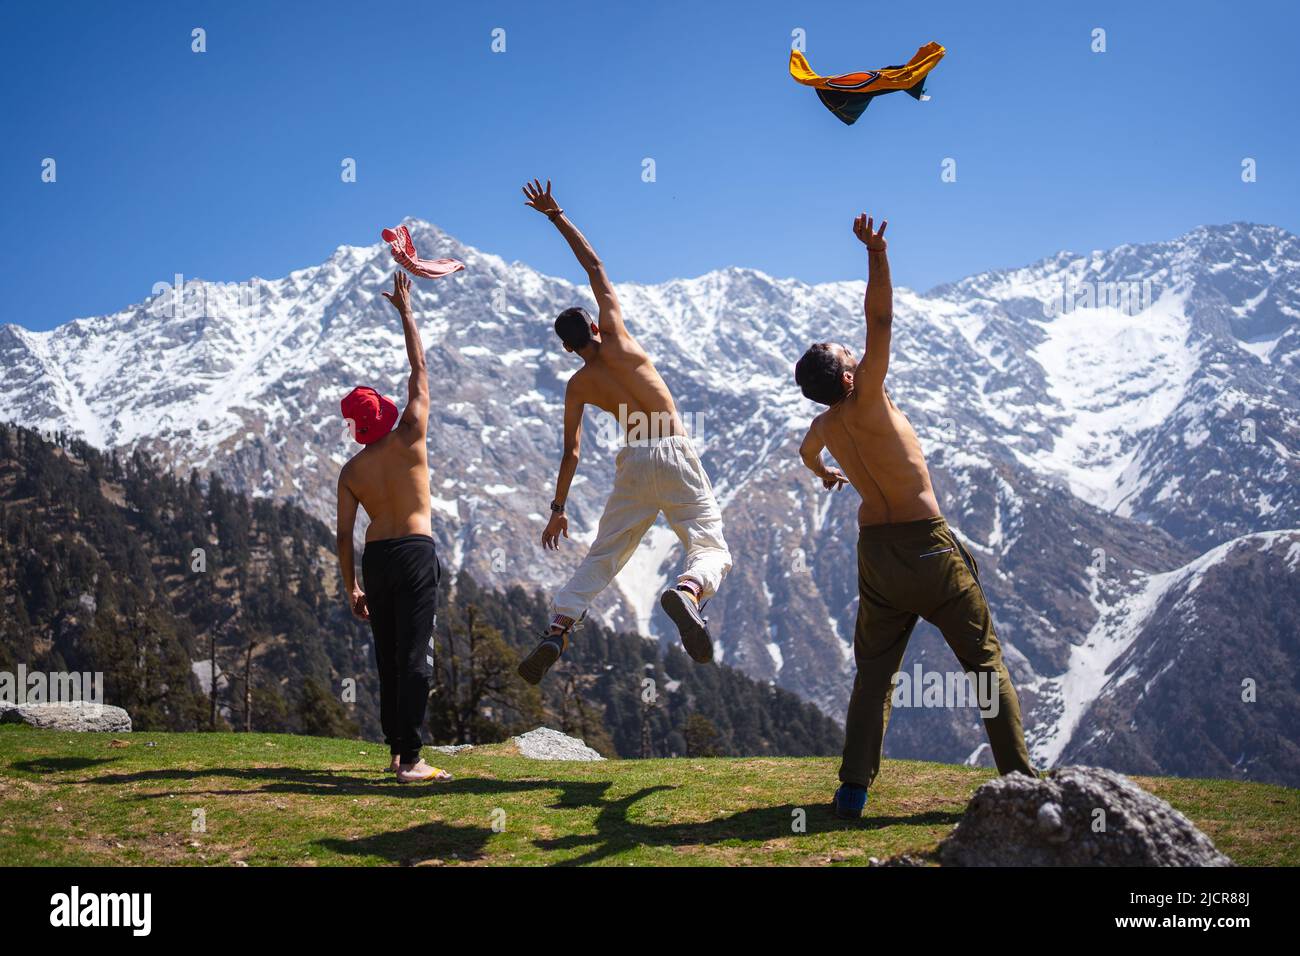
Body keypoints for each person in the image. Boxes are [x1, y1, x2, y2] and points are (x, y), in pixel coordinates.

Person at [794, 213, 1036, 819]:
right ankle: (1022, 782)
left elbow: (806, 452)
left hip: (875, 553)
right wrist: (877, 252)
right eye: (847, 352)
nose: (856, 348)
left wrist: (825, 474)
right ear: (848, 375)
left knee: (873, 676)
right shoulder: (868, 393)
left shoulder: (825, 424)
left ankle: (852, 792)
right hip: (927, 549)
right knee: (983, 664)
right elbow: (881, 318)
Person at [515, 179, 732, 685]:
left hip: (633, 460)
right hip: (672, 447)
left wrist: (558, 510)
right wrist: (556, 215)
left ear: (569, 347)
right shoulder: (618, 338)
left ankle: (560, 625)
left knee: (605, 553)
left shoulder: (578, 384)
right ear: (594, 328)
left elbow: (571, 452)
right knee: (709, 543)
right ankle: (689, 590)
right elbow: (595, 267)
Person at [336, 270, 451, 783]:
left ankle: (395, 749)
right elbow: (419, 368)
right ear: (385, 413)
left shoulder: (351, 472)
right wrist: (406, 311)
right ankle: (411, 759)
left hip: (376, 559)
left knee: (388, 657)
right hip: (414, 553)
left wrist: (352, 585)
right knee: (416, 653)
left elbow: (343, 535)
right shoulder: (410, 433)